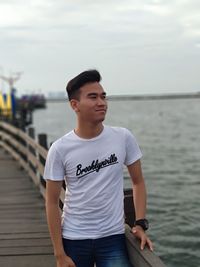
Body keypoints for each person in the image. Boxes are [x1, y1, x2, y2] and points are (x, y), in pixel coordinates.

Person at [44, 69, 153, 267]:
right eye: (93, 97)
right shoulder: (60, 149)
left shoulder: (123, 138)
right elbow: (51, 203)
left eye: (103, 97)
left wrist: (139, 223)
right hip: (74, 238)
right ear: (74, 105)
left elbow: (138, 181)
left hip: (112, 237)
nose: (101, 102)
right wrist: (59, 253)